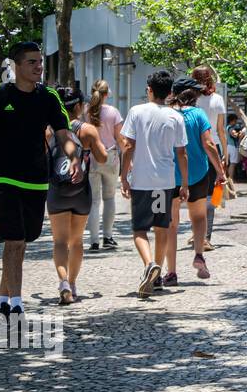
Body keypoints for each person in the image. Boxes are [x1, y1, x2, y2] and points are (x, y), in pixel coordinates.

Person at [0, 42, 77, 319]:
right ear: (17, 66)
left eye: (40, 61)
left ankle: (2, 298)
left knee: (23, 240)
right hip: (3, 178)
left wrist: (75, 157)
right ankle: (16, 304)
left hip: (36, 180)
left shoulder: (49, 97)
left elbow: (63, 135)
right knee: (14, 240)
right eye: (32, 62)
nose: (39, 66)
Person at [119, 70, 189, 298]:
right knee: (161, 227)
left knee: (139, 229)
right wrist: (185, 184)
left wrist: (123, 177)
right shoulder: (175, 117)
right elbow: (182, 153)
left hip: (141, 181)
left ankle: (150, 264)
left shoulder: (136, 112)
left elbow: (128, 146)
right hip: (165, 182)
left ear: (149, 90)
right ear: (169, 93)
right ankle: (157, 276)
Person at [47, 87, 109, 304]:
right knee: (76, 241)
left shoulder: (48, 131)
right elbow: (102, 158)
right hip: (81, 190)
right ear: (78, 106)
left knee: (59, 241)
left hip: (57, 190)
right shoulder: (88, 130)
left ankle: (63, 281)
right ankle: (72, 284)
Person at [162, 77, 225, 285]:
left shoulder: (167, 115)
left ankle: (171, 271)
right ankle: (199, 255)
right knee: (198, 217)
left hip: (170, 175)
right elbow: (209, 144)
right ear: (193, 95)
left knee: (171, 224)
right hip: (197, 173)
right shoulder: (198, 115)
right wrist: (220, 170)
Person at [86, 79, 124, 252]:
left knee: (94, 201)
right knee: (109, 198)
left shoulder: (85, 111)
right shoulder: (113, 112)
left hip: (92, 157)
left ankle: (94, 241)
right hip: (110, 156)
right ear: (107, 94)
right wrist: (128, 159)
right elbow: (120, 138)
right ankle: (108, 237)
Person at [191, 65, 227, 248]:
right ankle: (205, 236)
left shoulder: (191, 101)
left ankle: (195, 233)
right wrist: (225, 153)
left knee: (195, 192)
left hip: (195, 148)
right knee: (212, 194)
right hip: (214, 148)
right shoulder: (218, 99)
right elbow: (221, 130)